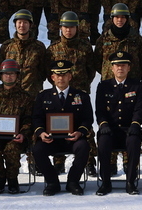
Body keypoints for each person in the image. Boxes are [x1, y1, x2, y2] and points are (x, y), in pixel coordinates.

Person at [30, 60, 94, 196]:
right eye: (57, 75)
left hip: (73, 139)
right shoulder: (43, 96)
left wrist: (80, 132)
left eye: (64, 75)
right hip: (50, 139)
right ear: (52, 77)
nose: (61, 78)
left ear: (70, 76)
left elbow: (88, 119)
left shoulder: (81, 96)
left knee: (83, 147)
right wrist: (41, 133)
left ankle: (73, 181)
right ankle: (52, 182)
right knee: (38, 149)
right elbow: (36, 118)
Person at [94, 50, 142, 196]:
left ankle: (130, 182)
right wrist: (103, 124)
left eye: (123, 65)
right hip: (110, 129)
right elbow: (100, 109)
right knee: (103, 142)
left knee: (134, 142)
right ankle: (105, 182)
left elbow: (139, 108)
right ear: (111, 68)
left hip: (130, 129)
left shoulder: (137, 86)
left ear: (129, 67)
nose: (120, 68)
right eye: (117, 65)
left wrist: (136, 124)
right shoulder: (104, 86)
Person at [0, 59, 33, 194]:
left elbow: (29, 119)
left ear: (17, 76)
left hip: (16, 137)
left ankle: (12, 179)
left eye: (12, 74)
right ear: (0, 76)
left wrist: (23, 133)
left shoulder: (25, 97)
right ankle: (0, 176)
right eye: (5, 74)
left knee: (12, 150)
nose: (9, 76)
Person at [0, 9, 48, 95]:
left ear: (30, 25)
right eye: (19, 22)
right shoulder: (7, 46)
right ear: (15, 25)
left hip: (32, 94)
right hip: (11, 94)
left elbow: (43, 71)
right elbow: (0, 70)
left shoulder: (39, 47)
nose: (22, 25)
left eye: (25, 22)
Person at [95, 3, 142, 83]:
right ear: (112, 19)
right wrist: (108, 71)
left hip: (132, 83)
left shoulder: (137, 39)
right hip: (109, 83)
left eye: (123, 17)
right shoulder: (103, 39)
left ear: (127, 19)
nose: (120, 20)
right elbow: (97, 62)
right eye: (117, 17)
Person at [47, 11, 97, 93]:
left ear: (77, 28)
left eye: (71, 27)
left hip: (80, 91)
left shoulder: (85, 47)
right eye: (65, 27)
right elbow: (48, 72)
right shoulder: (53, 49)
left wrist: (83, 84)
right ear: (61, 28)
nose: (68, 30)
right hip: (60, 91)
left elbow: (91, 71)